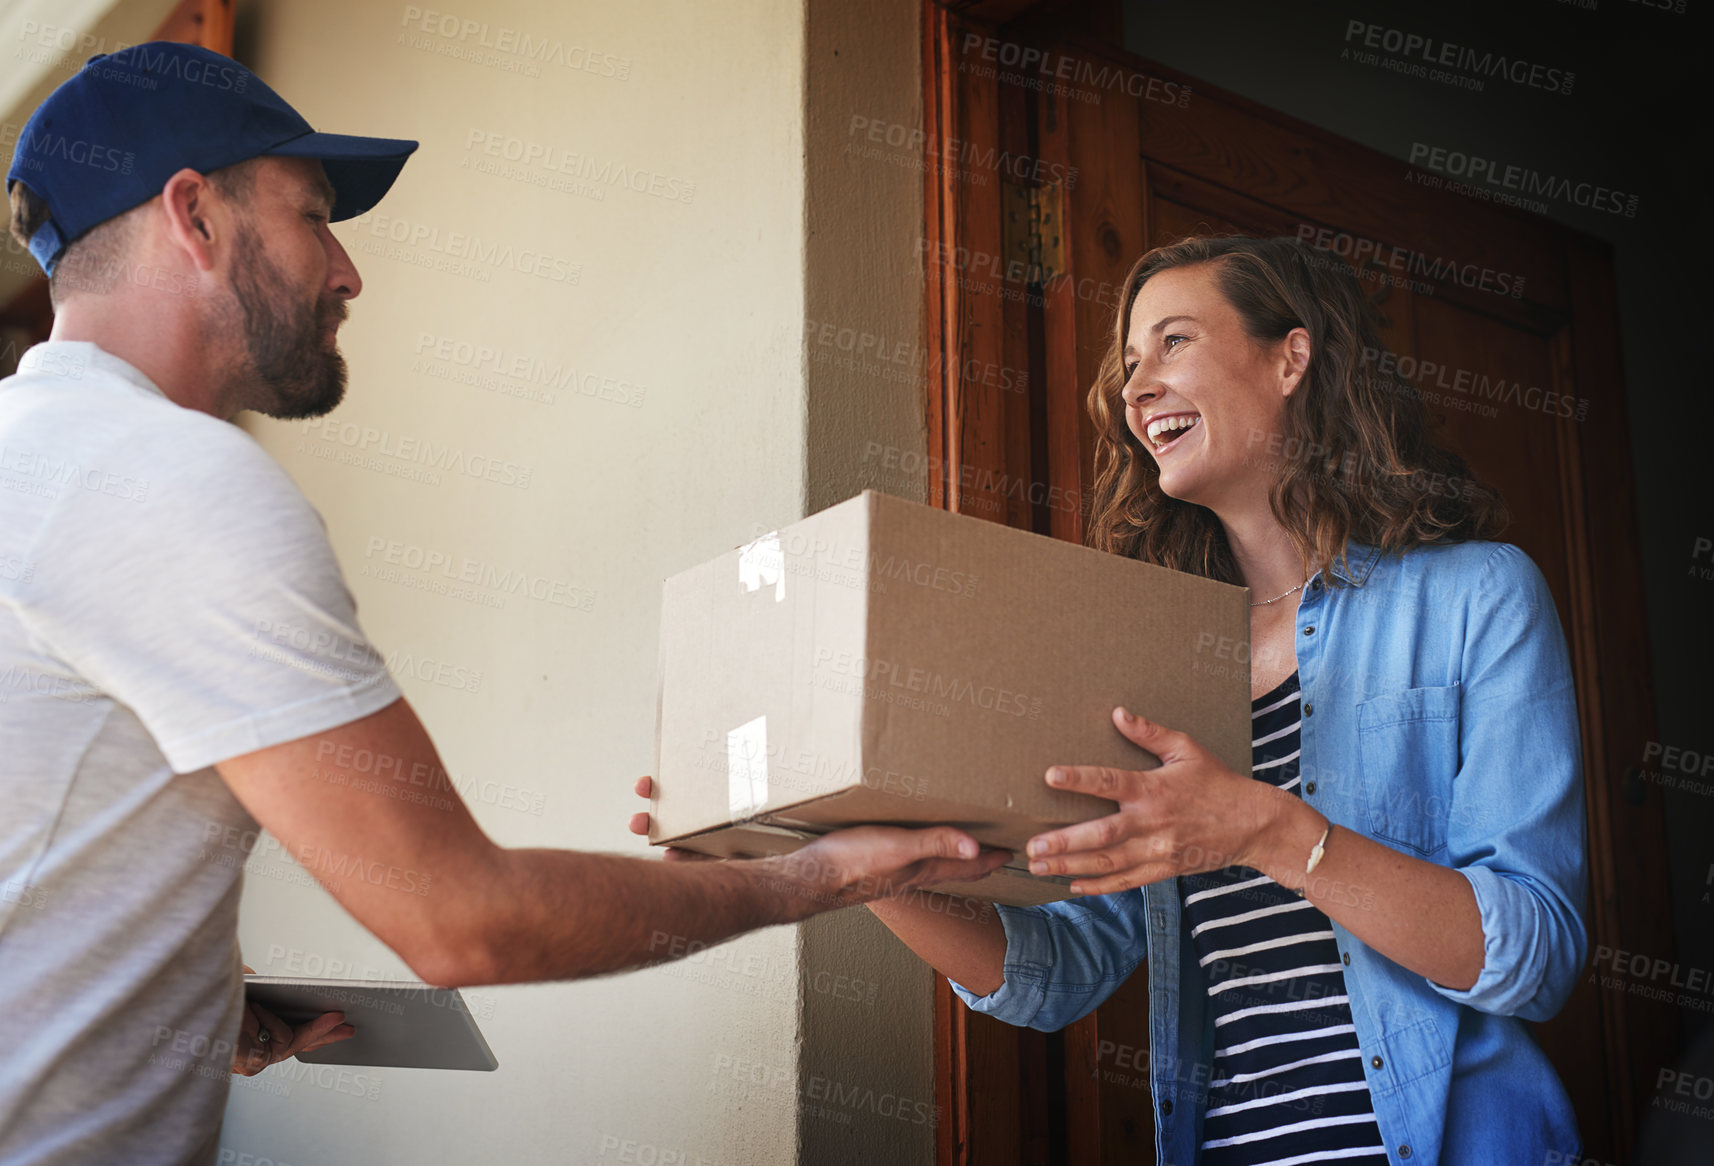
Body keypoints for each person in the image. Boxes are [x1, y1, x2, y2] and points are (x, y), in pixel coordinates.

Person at [0, 42, 1004, 1166]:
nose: (347, 271)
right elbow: (461, 917)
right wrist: (815, 875)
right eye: (313, 215)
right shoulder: (170, 479)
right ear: (196, 216)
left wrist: (156, 1002)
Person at [859, 236, 1588, 1163]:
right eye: (1130, 364)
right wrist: (863, 871)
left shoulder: (1478, 597)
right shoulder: (1152, 664)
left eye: (1173, 343)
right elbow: (1062, 969)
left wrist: (1265, 831)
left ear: (1292, 356)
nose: (1135, 389)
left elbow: (1535, 957)